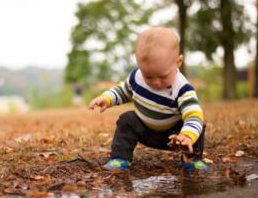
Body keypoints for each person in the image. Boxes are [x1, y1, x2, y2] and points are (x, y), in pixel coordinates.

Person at [88, 27, 208, 172]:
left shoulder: (182, 89)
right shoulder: (137, 77)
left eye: (163, 76)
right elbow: (123, 91)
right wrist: (107, 98)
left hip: (175, 137)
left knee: (198, 124)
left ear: (178, 62)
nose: (155, 82)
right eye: (148, 76)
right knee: (127, 119)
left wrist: (187, 136)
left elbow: (193, 115)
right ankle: (120, 158)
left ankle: (191, 160)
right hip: (144, 131)